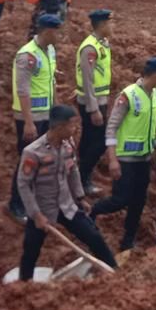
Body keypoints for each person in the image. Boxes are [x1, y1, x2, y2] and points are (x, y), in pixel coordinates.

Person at [17, 105, 117, 280]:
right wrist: (36, 214)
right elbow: (23, 185)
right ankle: (24, 283)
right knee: (31, 248)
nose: (75, 128)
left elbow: (73, 172)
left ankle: (114, 271)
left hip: (66, 206)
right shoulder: (33, 152)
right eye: (72, 125)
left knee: (93, 236)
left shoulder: (68, 146)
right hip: (43, 209)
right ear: (59, 127)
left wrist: (80, 198)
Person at [92, 56, 156, 251]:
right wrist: (112, 160)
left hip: (143, 159)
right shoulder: (128, 95)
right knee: (121, 200)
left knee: (138, 202)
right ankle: (92, 212)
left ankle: (127, 241)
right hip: (125, 159)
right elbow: (111, 128)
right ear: (154, 75)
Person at [8, 13, 62, 222]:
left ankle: (33, 199)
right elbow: (23, 91)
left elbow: (51, 81)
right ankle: (16, 204)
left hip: (46, 115)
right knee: (27, 162)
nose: (60, 36)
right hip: (29, 118)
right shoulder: (26, 56)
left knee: (41, 161)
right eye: (57, 32)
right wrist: (28, 123)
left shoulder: (49, 51)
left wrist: (55, 107)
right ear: (48, 32)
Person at [75, 9, 114, 192]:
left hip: (101, 99)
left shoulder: (103, 44)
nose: (113, 26)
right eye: (110, 23)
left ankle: (81, 177)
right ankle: (83, 176)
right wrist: (93, 108)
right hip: (92, 102)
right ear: (102, 25)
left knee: (89, 139)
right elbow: (88, 79)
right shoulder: (90, 48)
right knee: (99, 141)